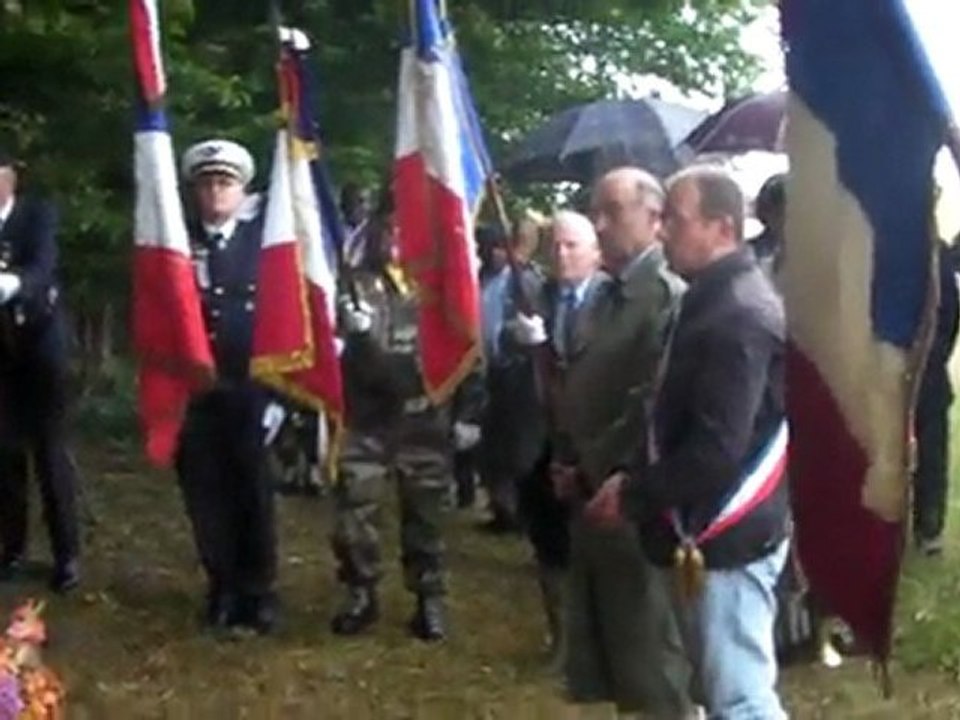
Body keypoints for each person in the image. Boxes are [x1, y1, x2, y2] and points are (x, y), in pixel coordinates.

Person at [589, 165, 790, 719]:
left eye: (676, 221)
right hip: (703, 528)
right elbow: (669, 414)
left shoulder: (739, 314)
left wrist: (634, 495)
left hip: (727, 531)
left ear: (722, 228)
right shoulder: (710, 299)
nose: (662, 232)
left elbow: (717, 450)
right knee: (717, 689)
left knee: (740, 698)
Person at [554, 167, 692, 717]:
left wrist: (603, 466)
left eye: (612, 211)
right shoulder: (604, 294)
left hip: (633, 495)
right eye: (596, 211)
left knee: (653, 651)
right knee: (617, 649)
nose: (600, 223)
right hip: (593, 489)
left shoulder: (664, 296)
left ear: (655, 218)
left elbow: (650, 401)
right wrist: (568, 458)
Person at [330, 201, 482, 641]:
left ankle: (428, 598)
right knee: (355, 513)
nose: (396, 239)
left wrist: (469, 413)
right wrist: (352, 336)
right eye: (389, 230)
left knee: (426, 515)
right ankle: (361, 592)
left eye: (405, 230)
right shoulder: (353, 285)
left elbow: (468, 350)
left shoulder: (440, 288)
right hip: (367, 419)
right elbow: (330, 352)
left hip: (424, 418)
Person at [176, 139, 279, 634]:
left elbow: (282, 321)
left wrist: (278, 396)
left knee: (252, 492)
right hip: (195, 392)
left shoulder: (265, 244)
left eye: (225, 182)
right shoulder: (175, 243)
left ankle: (258, 592)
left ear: (242, 191)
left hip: (249, 389)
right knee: (206, 494)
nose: (216, 191)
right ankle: (222, 585)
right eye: (207, 183)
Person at [508, 209, 608, 671]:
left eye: (572, 246)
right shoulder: (535, 295)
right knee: (549, 542)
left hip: (594, 438)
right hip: (542, 437)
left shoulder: (611, 300)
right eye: (555, 246)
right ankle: (562, 637)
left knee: (596, 544)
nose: (562, 255)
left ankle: (600, 638)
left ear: (596, 252)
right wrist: (521, 342)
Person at [0, 148, 80, 593]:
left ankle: (66, 555)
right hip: (2, 352)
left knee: (50, 452)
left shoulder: (36, 215)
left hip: (40, 345)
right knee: (5, 452)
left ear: (11, 179)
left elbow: (42, 267)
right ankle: (11, 550)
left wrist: (12, 284)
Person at [476, 224, 548, 533]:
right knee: (494, 445)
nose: (496, 254)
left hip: (519, 372)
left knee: (517, 446)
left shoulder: (525, 279)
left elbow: (535, 318)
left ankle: (518, 511)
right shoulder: (487, 279)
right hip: (493, 369)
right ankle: (501, 507)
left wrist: (518, 336)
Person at [912, 237, 959, 555]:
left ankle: (929, 528)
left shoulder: (935, 251)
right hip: (884, 371)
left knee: (930, 451)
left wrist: (934, 356)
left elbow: (950, 314)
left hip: (925, 369)